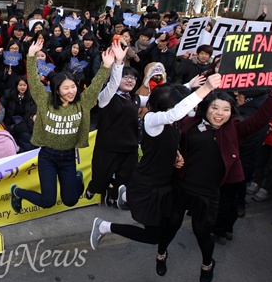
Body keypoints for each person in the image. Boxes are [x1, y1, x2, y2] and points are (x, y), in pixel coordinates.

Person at [156, 75, 272, 282]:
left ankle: (207, 264)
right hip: (181, 186)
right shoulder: (189, 123)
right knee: (170, 226)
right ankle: (161, 254)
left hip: (208, 193)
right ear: (206, 108)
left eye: (226, 109)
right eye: (215, 108)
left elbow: (262, 117)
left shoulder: (236, 129)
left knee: (202, 232)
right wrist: (175, 154)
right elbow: (170, 140)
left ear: (232, 111)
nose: (220, 114)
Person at [89, 73, 221, 259]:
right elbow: (177, 111)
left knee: (163, 227)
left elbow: (178, 106)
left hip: (163, 183)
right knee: (153, 237)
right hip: (147, 185)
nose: (189, 110)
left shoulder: (173, 121)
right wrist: (205, 88)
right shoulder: (152, 119)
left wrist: (175, 153)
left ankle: (125, 194)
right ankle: (103, 226)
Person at [9, 40, 113, 212]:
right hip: (47, 157)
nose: (71, 91)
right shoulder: (45, 100)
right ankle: (18, 192)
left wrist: (106, 67)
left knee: (71, 200)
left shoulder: (83, 102)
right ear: (56, 90)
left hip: (68, 157)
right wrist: (31, 56)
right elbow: (34, 81)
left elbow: (96, 87)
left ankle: (76, 180)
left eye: (73, 87)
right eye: (66, 88)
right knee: (48, 201)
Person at [85, 42, 144, 208]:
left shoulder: (136, 99)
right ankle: (94, 188)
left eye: (133, 78)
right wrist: (118, 63)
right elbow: (112, 84)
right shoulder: (107, 97)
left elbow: (160, 98)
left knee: (124, 178)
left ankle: (114, 196)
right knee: (101, 178)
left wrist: (191, 87)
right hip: (108, 147)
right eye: (126, 77)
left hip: (130, 148)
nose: (130, 80)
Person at [1, 76, 37, 153]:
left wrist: (34, 115)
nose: (22, 87)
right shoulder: (8, 95)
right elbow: (0, 108)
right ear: (16, 85)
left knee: (27, 143)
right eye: (20, 85)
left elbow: (34, 109)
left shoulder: (31, 96)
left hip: (24, 124)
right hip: (9, 123)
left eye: (24, 85)